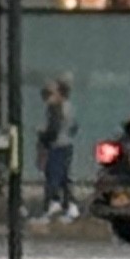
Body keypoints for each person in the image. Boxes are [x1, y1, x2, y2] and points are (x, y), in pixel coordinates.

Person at [36, 76, 78, 221]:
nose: (47, 97)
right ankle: (69, 206)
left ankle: (52, 206)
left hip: (56, 147)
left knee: (53, 178)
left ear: (59, 94)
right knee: (64, 178)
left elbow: (52, 130)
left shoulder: (56, 109)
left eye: (50, 93)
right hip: (66, 145)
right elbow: (74, 127)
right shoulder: (69, 107)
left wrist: (43, 136)